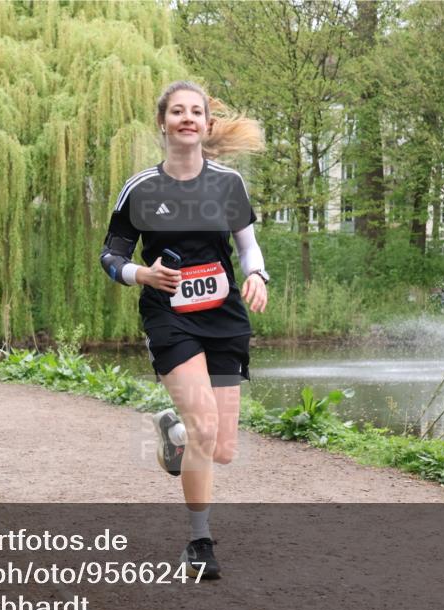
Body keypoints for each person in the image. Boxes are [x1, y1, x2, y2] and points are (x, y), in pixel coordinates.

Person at [100, 81, 268, 579]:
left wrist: (257, 274)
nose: (187, 118)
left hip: (224, 315)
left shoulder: (228, 184)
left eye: (196, 111)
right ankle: (200, 543)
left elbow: (248, 247)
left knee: (222, 449)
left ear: (207, 125)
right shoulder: (142, 188)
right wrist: (142, 274)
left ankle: (172, 433)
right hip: (168, 315)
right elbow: (111, 255)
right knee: (205, 427)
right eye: (178, 111)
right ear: (164, 122)